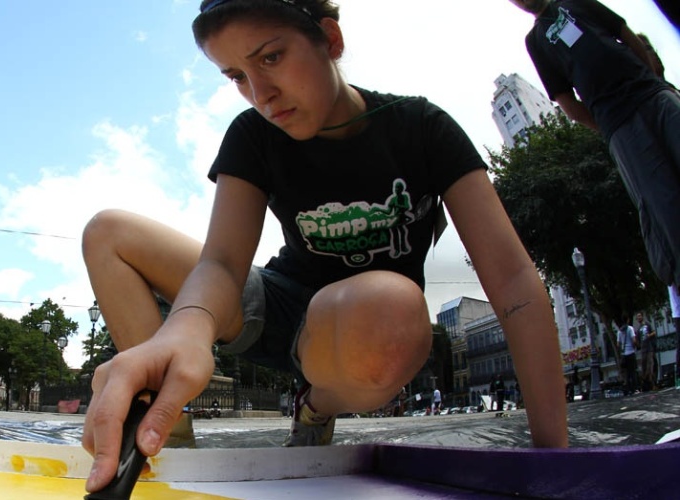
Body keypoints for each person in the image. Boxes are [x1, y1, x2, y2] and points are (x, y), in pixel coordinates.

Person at [80, 1, 568, 492]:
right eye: (237, 77)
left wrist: (555, 460)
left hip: (365, 336)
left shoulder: (422, 127)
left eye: (271, 58)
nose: (261, 95)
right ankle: (165, 429)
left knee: (391, 303)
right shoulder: (253, 134)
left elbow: (512, 282)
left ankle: (314, 408)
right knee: (109, 232)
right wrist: (186, 329)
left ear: (330, 40)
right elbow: (223, 263)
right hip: (277, 302)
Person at [510, 0, 680, 290]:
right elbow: (567, 102)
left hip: (652, 95)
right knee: (663, 203)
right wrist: (610, 126)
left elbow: (622, 30)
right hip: (618, 123)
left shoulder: (575, 1)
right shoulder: (535, 41)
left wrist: (652, 80)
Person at [617, 319, 639, 396]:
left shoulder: (619, 331)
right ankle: (635, 388)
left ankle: (628, 389)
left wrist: (622, 350)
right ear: (628, 320)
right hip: (631, 353)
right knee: (633, 372)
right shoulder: (630, 328)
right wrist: (634, 346)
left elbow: (618, 344)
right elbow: (634, 340)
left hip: (624, 354)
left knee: (627, 373)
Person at [637, 313, 657, 391]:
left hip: (649, 348)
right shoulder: (638, 329)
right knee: (644, 367)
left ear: (642, 316)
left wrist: (649, 335)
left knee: (651, 366)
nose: (639, 318)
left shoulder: (647, 324)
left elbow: (654, 332)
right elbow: (638, 340)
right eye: (637, 317)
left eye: (640, 316)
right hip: (643, 350)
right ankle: (646, 384)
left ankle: (653, 384)